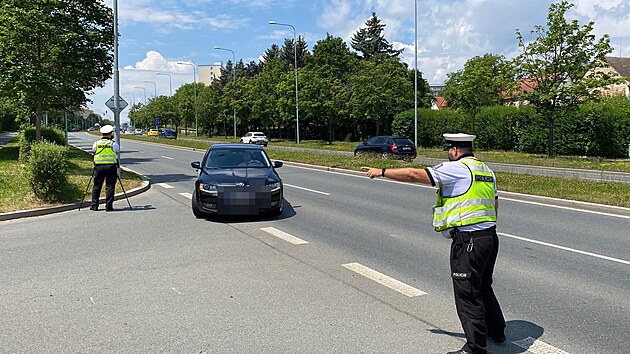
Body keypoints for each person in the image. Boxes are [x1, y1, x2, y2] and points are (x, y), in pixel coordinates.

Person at [362, 133, 505, 354]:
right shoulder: (485, 170)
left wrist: (381, 172)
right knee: (483, 286)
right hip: (488, 237)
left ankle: (475, 348)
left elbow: (414, 174)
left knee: (467, 294)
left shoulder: (457, 168)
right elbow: (495, 203)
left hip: (468, 241)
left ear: (455, 150)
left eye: (449, 151)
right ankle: (497, 332)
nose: (448, 155)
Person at [90, 125, 120, 211]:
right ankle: (109, 207)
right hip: (111, 167)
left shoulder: (96, 143)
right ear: (110, 133)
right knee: (110, 186)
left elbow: (94, 153)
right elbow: (117, 155)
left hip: (99, 167)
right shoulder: (114, 144)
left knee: (96, 186)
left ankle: (94, 206)